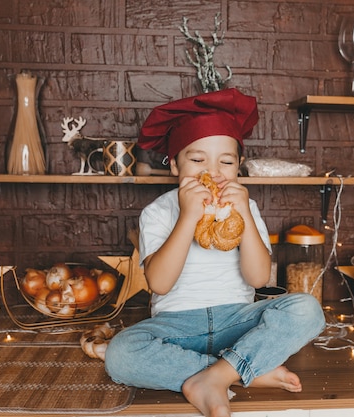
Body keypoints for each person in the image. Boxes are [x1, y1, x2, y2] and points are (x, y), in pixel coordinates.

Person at [104, 88, 326, 417]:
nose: (214, 172)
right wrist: (188, 216)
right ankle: (244, 371)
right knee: (120, 355)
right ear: (176, 166)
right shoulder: (159, 212)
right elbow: (160, 284)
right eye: (197, 160)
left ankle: (217, 376)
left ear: (238, 167)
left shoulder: (246, 207)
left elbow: (259, 277)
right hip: (176, 328)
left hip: (237, 322)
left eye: (226, 161)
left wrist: (246, 218)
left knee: (308, 309)